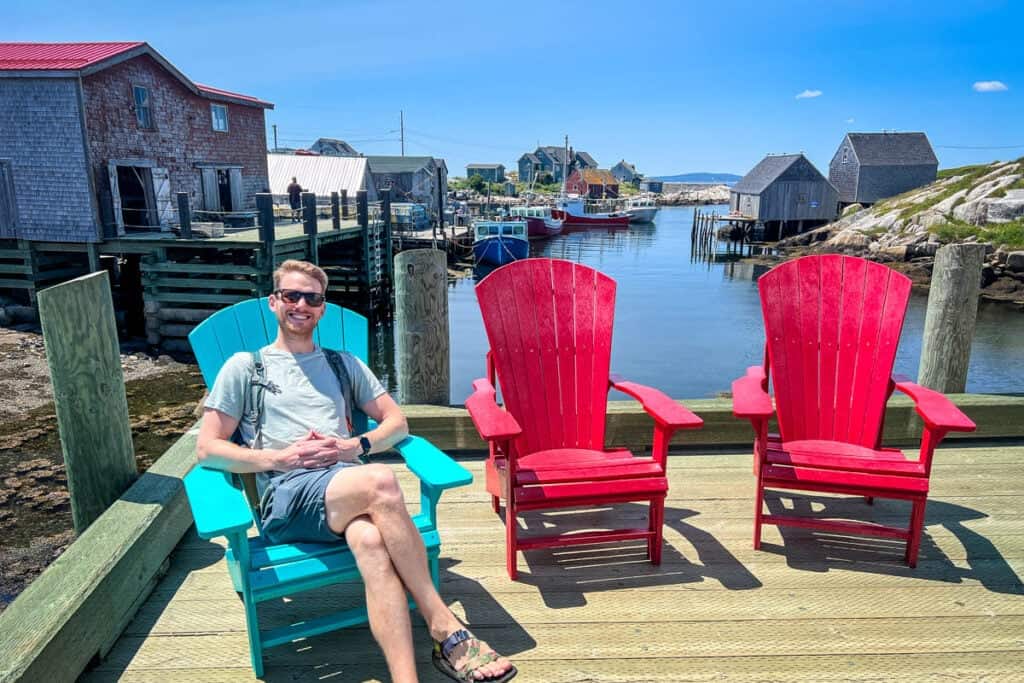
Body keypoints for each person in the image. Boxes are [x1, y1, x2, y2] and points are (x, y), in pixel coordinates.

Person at [196, 260, 516, 683]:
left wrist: (354, 445)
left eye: (312, 298)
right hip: (287, 497)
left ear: (322, 309)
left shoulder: (343, 364)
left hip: (345, 491)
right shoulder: (246, 367)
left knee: (370, 541)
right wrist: (280, 458)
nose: (301, 305)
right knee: (381, 480)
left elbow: (396, 423)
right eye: (291, 296)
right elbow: (207, 449)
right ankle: (442, 623)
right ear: (274, 303)